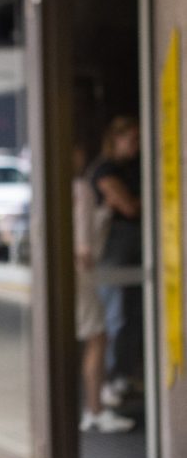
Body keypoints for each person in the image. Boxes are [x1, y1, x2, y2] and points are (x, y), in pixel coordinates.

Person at [73, 145, 134, 433]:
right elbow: (84, 248)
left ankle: (88, 407)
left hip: (62, 275)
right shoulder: (81, 189)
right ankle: (94, 409)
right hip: (79, 275)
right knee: (97, 337)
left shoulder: (48, 187)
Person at [90, 116, 142, 407]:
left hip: (130, 257)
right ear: (116, 138)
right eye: (132, 139)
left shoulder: (129, 168)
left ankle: (120, 375)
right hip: (112, 256)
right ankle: (108, 380)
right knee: (115, 315)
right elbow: (129, 207)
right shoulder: (105, 169)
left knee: (131, 314)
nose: (136, 146)